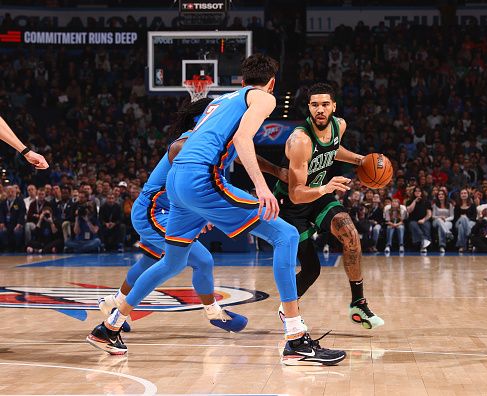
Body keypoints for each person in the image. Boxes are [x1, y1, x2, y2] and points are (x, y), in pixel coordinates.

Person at [87, 55, 346, 366]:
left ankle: (109, 327)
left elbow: (228, 146)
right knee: (286, 235)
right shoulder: (263, 97)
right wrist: (261, 188)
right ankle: (295, 339)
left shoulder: (221, 101)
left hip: (179, 179)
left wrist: (261, 178)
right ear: (272, 83)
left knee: (173, 261)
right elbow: (242, 138)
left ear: (240, 81)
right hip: (201, 177)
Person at [95, 98, 253, 338]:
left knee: (149, 262)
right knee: (202, 260)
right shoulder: (187, 143)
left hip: (166, 210)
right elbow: (192, 186)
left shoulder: (205, 142)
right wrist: (203, 214)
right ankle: (213, 312)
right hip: (154, 211)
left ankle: (114, 304)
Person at [273, 82, 384, 330]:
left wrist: (360, 160)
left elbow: (333, 150)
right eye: (315, 105)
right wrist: (325, 187)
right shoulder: (299, 140)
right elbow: (297, 192)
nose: (320, 109)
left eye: (325, 104)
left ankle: (359, 304)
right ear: (309, 108)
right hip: (292, 205)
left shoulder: (339, 125)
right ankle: (287, 307)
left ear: (334, 106)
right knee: (312, 270)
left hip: (320, 194)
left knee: (351, 234)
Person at [406, 186, 432, 253]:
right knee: (413, 225)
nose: (417, 192)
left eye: (419, 191)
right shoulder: (409, 201)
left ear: (421, 192)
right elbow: (409, 211)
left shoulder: (426, 202)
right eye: (416, 191)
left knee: (426, 225)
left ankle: (423, 246)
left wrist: (424, 219)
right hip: (413, 220)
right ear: (414, 193)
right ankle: (424, 240)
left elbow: (429, 214)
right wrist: (414, 201)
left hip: (424, 219)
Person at [0, 185, 26, 251]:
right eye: (8, 192)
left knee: (17, 231)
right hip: (6, 224)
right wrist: (2, 223)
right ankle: (6, 247)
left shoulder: (20, 201)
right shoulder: (3, 202)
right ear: (6, 193)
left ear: (15, 192)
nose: (10, 194)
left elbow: (22, 213)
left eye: (12, 192)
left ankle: (17, 247)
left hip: (16, 224)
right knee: (2, 231)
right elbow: (1, 214)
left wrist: (19, 223)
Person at [454, 189, 477, 253]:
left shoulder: (472, 205)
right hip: (458, 222)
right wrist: (463, 218)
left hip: (471, 222)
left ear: (468, 195)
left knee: (461, 227)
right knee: (462, 218)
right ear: (460, 195)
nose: (463, 195)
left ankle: (462, 246)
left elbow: (474, 217)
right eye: (462, 193)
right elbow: (455, 218)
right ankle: (468, 235)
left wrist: (466, 219)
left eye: (465, 193)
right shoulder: (457, 205)